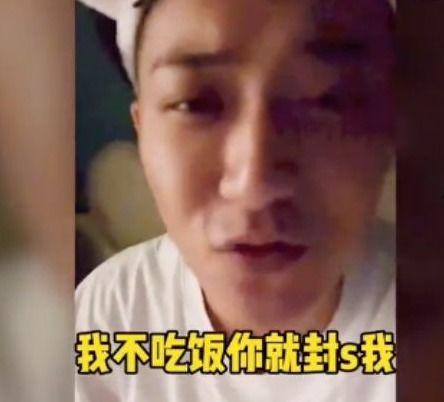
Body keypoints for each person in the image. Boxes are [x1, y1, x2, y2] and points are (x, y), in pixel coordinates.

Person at [76, 0, 396, 401]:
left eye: (326, 100)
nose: (253, 184)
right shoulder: (112, 314)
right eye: (194, 104)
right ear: (143, 133)